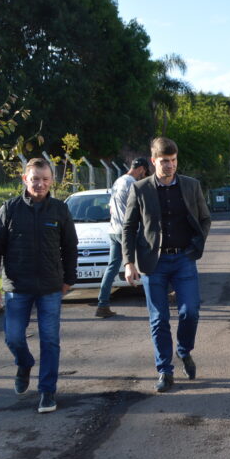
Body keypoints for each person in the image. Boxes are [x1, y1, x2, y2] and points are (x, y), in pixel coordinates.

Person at [0, 158, 78, 414]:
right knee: (13, 337)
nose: (40, 184)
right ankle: (24, 363)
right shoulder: (9, 209)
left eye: (45, 179)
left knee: (50, 340)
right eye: (35, 179)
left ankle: (47, 391)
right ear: (25, 179)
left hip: (50, 288)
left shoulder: (59, 210)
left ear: (52, 181)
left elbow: (70, 247)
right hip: (17, 287)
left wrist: (69, 279)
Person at [122, 137, 212, 393]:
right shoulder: (140, 189)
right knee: (159, 318)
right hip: (154, 262)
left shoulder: (191, 186)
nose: (170, 165)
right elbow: (129, 227)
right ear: (153, 161)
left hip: (184, 258)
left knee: (190, 311)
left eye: (173, 160)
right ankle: (164, 370)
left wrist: (196, 244)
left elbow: (205, 219)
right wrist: (129, 262)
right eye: (164, 161)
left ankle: (184, 350)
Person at [95, 157, 150, 318]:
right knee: (147, 261)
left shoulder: (118, 181)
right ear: (141, 169)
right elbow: (138, 208)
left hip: (113, 229)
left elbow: (111, 207)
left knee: (112, 267)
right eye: (144, 172)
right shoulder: (132, 183)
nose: (144, 175)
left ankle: (102, 304)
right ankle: (158, 297)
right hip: (127, 230)